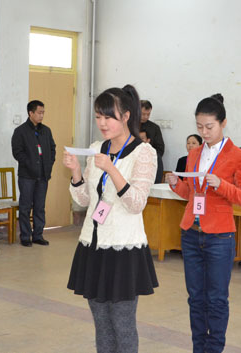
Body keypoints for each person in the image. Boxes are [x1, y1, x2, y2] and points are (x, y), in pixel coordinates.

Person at [64, 85, 158, 353]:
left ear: (126, 116)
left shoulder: (144, 152)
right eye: (98, 117)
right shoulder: (97, 149)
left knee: (122, 323)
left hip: (123, 248)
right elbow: (84, 200)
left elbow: (136, 203)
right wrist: (76, 172)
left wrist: (113, 170)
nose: (102, 123)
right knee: (101, 324)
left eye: (109, 117)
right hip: (93, 245)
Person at [167, 94, 241, 353]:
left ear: (223, 123)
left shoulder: (238, 155)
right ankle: (198, 348)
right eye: (199, 127)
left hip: (219, 237)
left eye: (209, 127)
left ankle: (214, 349)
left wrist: (221, 184)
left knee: (216, 299)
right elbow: (191, 193)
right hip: (191, 234)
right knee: (195, 298)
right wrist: (176, 184)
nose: (204, 132)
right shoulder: (194, 153)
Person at [11, 100, 56, 247]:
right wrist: (30, 164)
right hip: (27, 176)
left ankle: (38, 235)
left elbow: (52, 149)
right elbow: (17, 152)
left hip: (43, 175)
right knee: (25, 207)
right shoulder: (20, 131)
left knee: (39, 206)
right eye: (39, 112)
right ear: (31, 113)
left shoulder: (46, 131)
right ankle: (25, 236)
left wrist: (49, 164)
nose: (42, 115)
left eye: (43, 112)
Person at [140, 100, 165, 182]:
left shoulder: (154, 128)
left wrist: (148, 150)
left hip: (151, 161)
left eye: (148, 114)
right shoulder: (128, 126)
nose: (146, 117)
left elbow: (160, 149)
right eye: (143, 114)